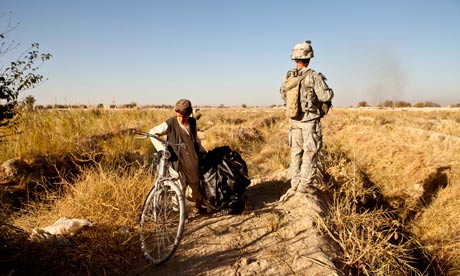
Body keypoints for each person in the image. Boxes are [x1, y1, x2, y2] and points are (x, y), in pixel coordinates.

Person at [280, 40, 334, 194]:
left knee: (296, 152)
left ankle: (295, 183)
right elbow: (325, 95)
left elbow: (282, 93)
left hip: (294, 120)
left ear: (295, 58)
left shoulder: (289, 76)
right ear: (309, 57)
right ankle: (305, 186)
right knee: (310, 152)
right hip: (310, 121)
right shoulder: (313, 76)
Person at [149, 99, 207, 214]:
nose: (181, 119)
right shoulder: (170, 123)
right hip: (176, 160)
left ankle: (198, 205)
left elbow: (196, 140)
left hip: (191, 158)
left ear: (189, 114)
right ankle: (180, 212)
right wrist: (162, 149)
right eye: (179, 116)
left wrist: (203, 152)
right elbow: (152, 132)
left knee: (196, 182)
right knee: (178, 185)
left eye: (184, 117)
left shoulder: (192, 122)